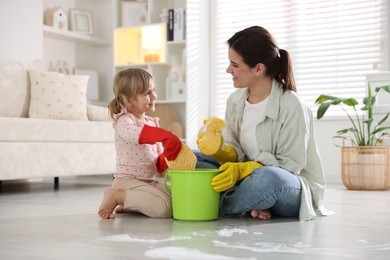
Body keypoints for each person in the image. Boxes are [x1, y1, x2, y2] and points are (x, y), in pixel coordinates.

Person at [195, 26, 332, 221]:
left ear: (258, 69)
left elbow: (289, 166)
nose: (228, 70)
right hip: (247, 182)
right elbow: (236, 152)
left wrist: (245, 169)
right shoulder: (235, 101)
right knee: (194, 158)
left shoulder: (292, 105)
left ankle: (216, 204)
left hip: (290, 186)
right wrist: (220, 151)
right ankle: (253, 202)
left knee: (267, 179)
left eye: (234, 64)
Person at [98, 68, 182, 219]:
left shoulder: (151, 123)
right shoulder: (124, 121)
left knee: (179, 200)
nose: (154, 96)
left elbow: (158, 165)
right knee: (165, 208)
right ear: (128, 100)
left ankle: (132, 203)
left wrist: (170, 154)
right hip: (127, 181)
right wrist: (165, 136)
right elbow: (135, 135)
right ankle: (117, 196)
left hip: (149, 181)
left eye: (153, 90)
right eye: (147, 94)